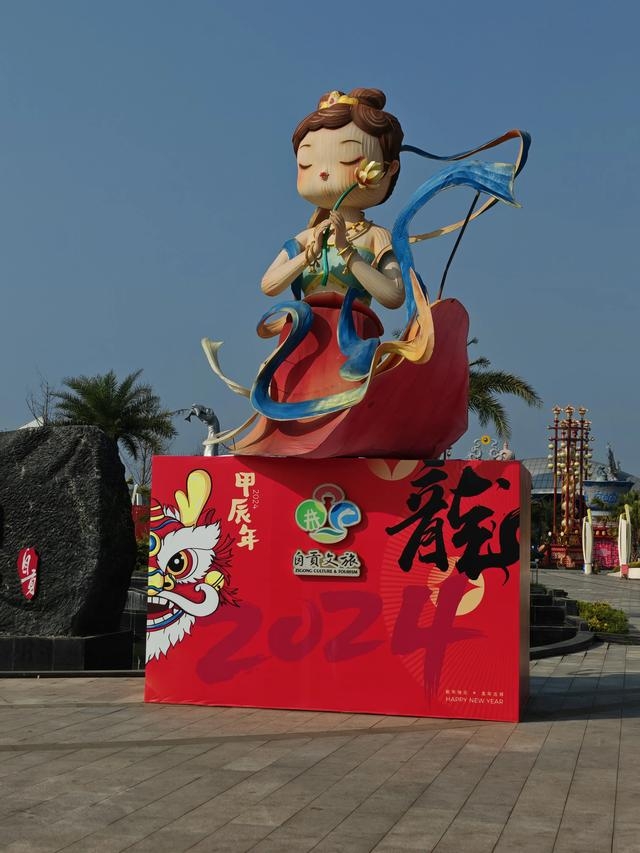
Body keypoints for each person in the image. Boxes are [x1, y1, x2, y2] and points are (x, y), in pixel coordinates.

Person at [203, 88, 527, 458]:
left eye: (346, 158)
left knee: (343, 416)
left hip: (351, 338)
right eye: (307, 163)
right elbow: (269, 285)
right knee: (296, 421)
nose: (323, 170)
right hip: (301, 338)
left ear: (389, 169)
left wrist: (349, 253)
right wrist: (305, 257)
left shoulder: (376, 237)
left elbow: (393, 295)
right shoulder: (305, 238)